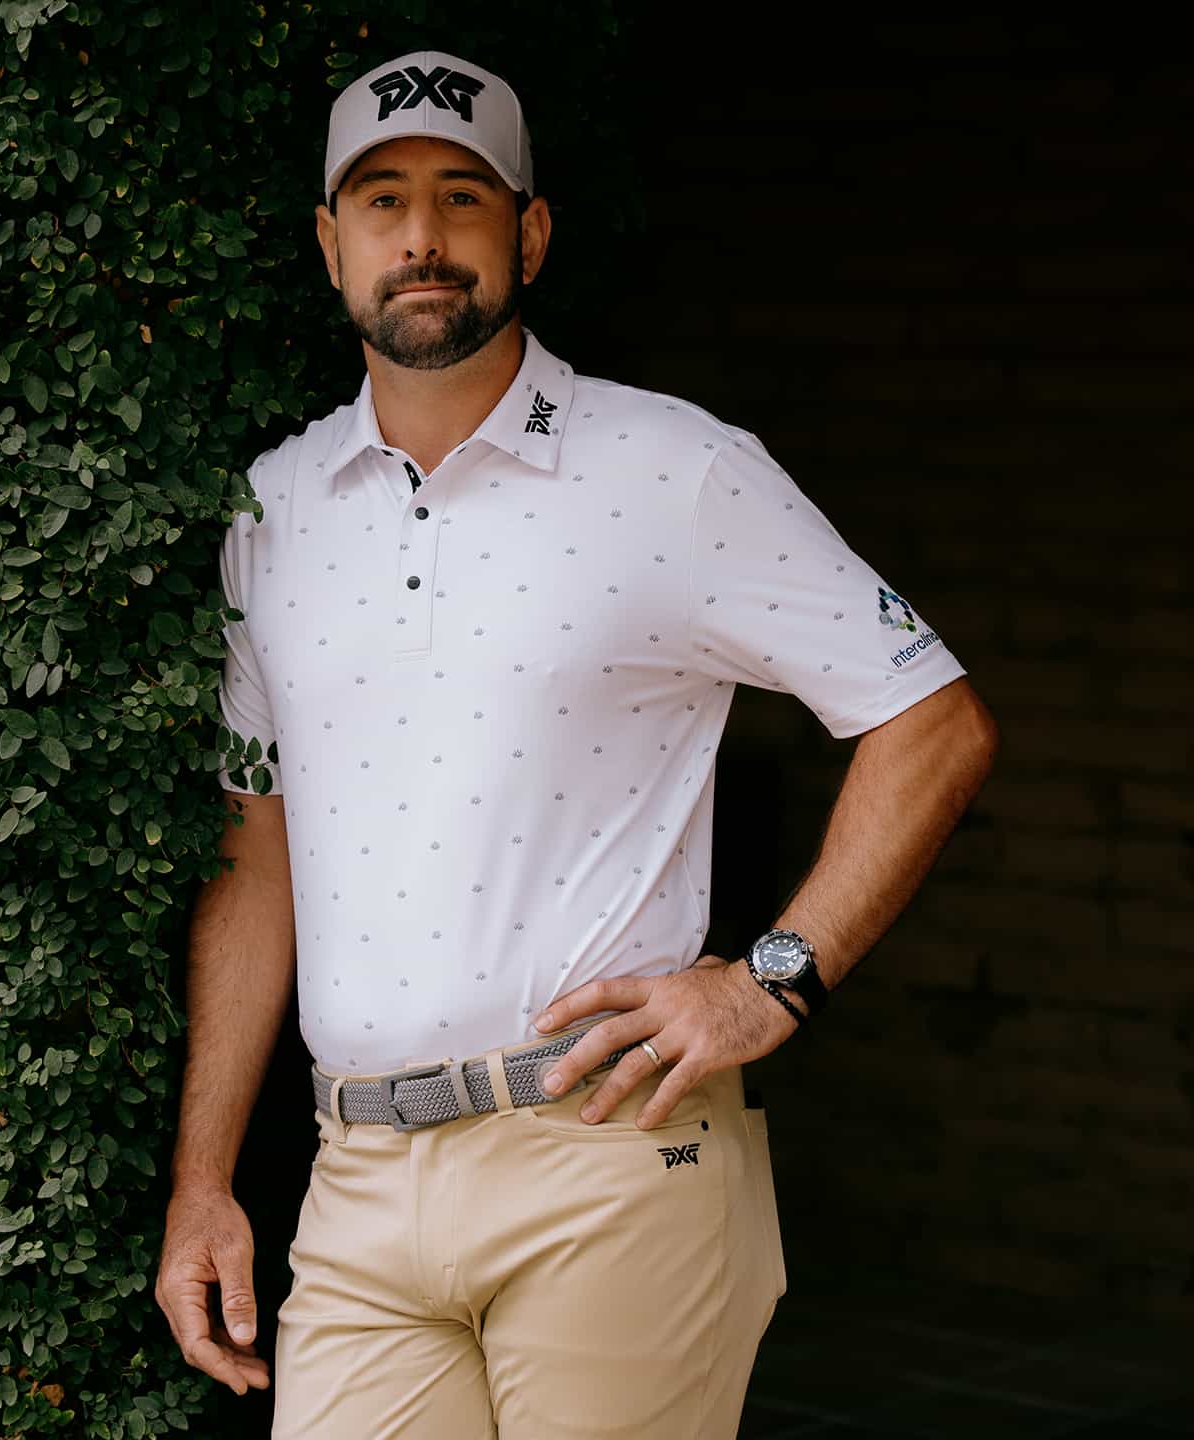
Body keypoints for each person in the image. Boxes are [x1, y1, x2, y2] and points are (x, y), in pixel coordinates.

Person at [155, 47, 999, 1440]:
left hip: (608, 1160)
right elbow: (258, 851)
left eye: (462, 196)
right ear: (329, 243)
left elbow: (931, 718)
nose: (422, 237)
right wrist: (203, 1181)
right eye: (381, 200)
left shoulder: (674, 469)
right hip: (355, 1188)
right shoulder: (273, 511)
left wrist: (773, 982)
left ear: (530, 234)